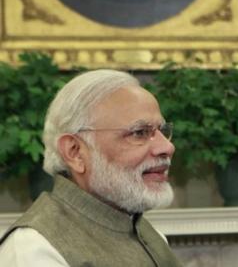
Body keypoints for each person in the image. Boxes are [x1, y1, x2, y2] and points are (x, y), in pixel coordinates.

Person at [0, 69, 183, 267]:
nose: (167, 147)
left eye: (163, 131)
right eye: (139, 133)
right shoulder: (34, 248)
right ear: (75, 152)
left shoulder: (149, 236)